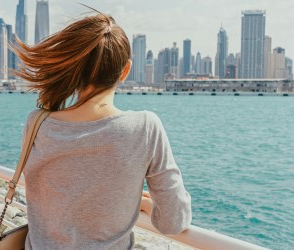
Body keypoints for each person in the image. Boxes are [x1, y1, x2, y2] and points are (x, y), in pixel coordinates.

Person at [13, 8, 192, 250]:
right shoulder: (145, 127)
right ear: (125, 70)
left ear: (73, 68)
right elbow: (174, 221)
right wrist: (140, 203)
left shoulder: (37, 123)